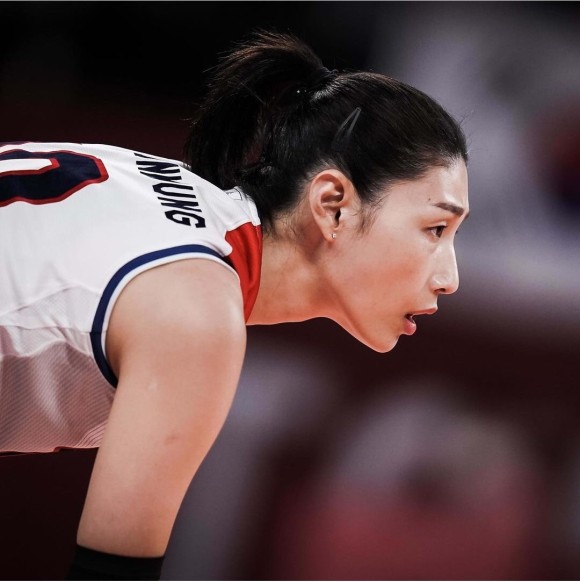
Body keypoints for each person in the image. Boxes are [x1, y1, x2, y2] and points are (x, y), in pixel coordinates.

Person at [0, 30, 469, 580]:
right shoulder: (198, 312)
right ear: (332, 205)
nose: (450, 279)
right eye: (435, 229)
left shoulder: (161, 197)